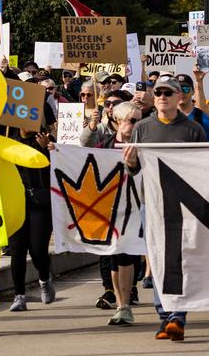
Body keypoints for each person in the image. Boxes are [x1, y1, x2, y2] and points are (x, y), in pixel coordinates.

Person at [123, 76, 207, 342]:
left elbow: (206, 168)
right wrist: (130, 163)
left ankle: (178, 315)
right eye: (157, 92)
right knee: (158, 259)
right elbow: (134, 168)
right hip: (153, 203)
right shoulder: (143, 128)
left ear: (177, 97)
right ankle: (164, 316)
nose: (161, 96)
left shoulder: (193, 129)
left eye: (167, 93)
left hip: (185, 205)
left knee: (180, 260)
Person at [93, 101, 146, 326]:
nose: (136, 125)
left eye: (139, 120)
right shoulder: (104, 146)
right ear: (117, 121)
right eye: (132, 120)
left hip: (137, 208)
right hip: (111, 209)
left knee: (125, 256)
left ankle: (124, 305)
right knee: (115, 258)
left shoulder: (146, 145)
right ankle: (120, 304)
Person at [7, 124, 56, 313]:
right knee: (17, 250)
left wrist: (47, 148)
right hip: (16, 202)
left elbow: (60, 167)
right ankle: (19, 295)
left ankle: (44, 278)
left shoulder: (44, 140)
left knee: (37, 250)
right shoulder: (8, 141)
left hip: (40, 203)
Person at [174, 73, 209, 142]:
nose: (181, 93)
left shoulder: (204, 120)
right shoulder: (165, 118)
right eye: (178, 90)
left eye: (185, 89)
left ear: (193, 91)